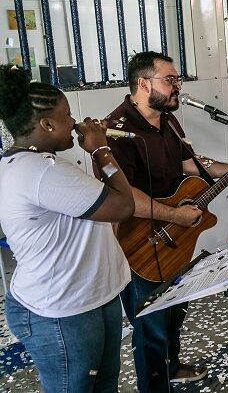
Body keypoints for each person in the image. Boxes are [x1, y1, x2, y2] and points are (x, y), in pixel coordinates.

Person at [102, 52, 228, 391]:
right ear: (143, 83)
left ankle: (172, 367)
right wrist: (176, 214)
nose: (177, 86)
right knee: (151, 327)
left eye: (178, 80)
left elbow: (189, 165)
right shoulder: (117, 130)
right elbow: (125, 197)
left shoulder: (167, 120)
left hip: (173, 241)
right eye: (170, 80)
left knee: (175, 310)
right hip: (139, 245)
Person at [0, 64, 134, 392]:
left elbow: (97, 205)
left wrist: (97, 154)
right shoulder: (39, 171)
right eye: (67, 114)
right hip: (61, 309)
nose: (74, 122)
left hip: (88, 295)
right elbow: (123, 206)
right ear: (46, 123)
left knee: (102, 386)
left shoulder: (40, 163)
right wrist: (101, 148)